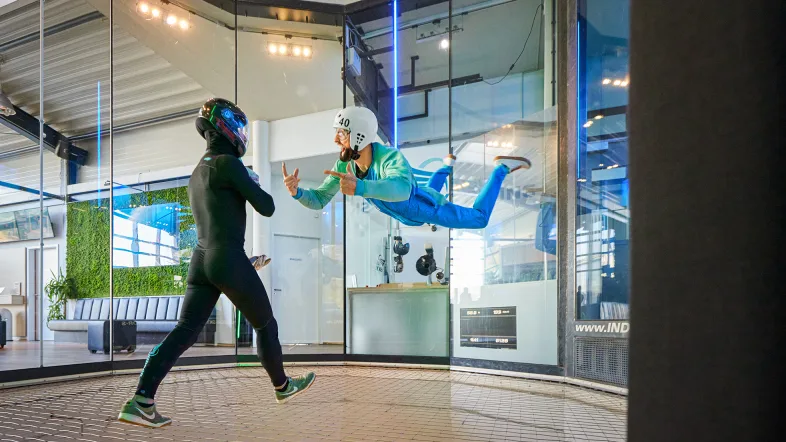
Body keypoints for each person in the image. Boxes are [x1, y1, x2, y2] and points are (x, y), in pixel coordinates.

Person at [118, 98, 315, 428]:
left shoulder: (197, 173)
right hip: (226, 258)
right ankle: (282, 386)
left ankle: (141, 399)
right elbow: (266, 207)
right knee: (265, 324)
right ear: (230, 127)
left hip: (201, 260)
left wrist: (242, 262)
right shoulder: (228, 163)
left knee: (184, 331)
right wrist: (252, 183)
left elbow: (216, 223)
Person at [283, 106, 531, 229]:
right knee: (429, 188)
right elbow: (318, 199)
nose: (337, 140)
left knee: (477, 219)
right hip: (409, 212)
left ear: (359, 134)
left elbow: (401, 190)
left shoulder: (390, 157)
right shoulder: (345, 164)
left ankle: (501, 169)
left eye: (342, 134)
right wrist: (298, 193)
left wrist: (360, 187)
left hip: (418, 209)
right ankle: (446, 166)